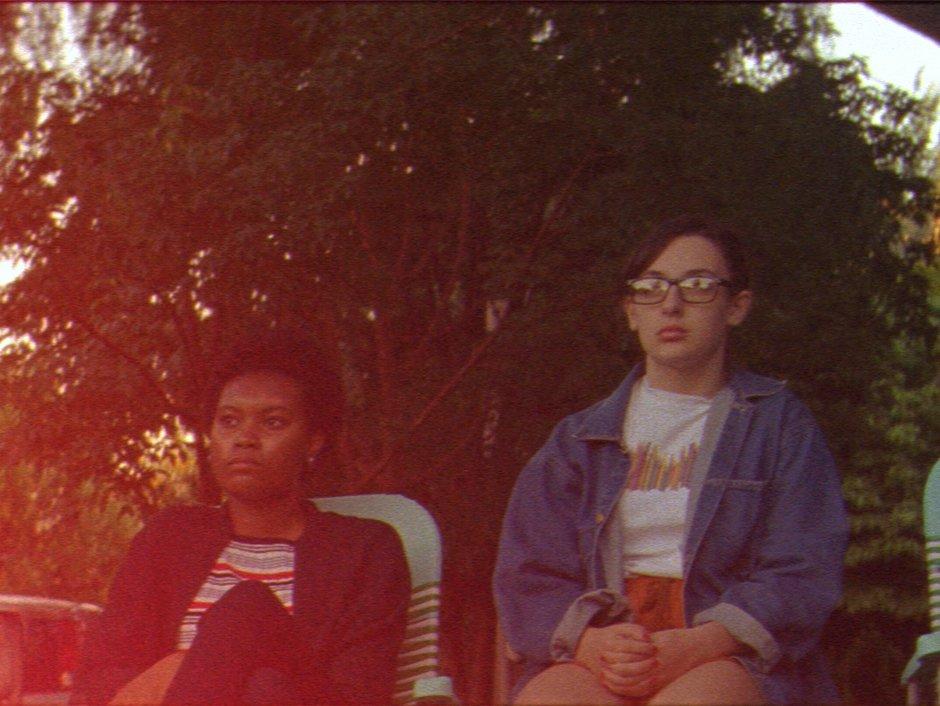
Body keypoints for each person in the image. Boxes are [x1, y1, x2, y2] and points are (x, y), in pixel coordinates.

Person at [493, 215, 848, 705]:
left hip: (725, 651)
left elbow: (802, 569)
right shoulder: (577, 440)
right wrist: (591, 642)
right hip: (603, 649)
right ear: (631, 311)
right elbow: (527, 572)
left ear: (736, 307)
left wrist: (704, 642)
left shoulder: (780, 426)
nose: (672, 303)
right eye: (651, 287)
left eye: (698, 285)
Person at [72, 332, 410, 705]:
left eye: (273, 423)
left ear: (314, 441)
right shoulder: (170, 538)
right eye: (229, 421)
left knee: (247, 616)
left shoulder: (364, 550)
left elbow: (358, 694)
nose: (245, 438)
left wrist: (188, 663)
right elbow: (97, 678)